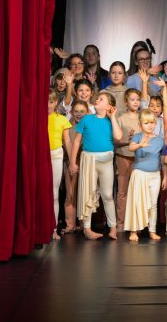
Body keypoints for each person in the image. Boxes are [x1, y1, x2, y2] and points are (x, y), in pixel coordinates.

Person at [70, 91, 123, 240]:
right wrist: (73, 162)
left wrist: (112, 116)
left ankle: (113, 227)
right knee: (88, 193)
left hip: (106, 161)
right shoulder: (87, 119)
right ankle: (87, 228)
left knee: (107, 195)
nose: (97, 100)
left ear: (109, 106)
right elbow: (76, 141)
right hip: (89, 160)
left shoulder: (112, 121)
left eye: (101, 99)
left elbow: (118, 137)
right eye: (98, 98)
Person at [123, 110, 166, 241]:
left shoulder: (160, 140)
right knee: (137, 202)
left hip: (155, 175)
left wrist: (165, 176)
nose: (149, 125)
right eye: (146, 123)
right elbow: (131, 148)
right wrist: (140, 145)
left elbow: (163, 160)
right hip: (140, 174)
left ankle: (152, 230)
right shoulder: (137, 136)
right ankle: (134, 231)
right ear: (140, 124)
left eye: (152, 122)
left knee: (153, 204)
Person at [114, 89, 144, 232]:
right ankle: (121, 222)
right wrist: (127, 140)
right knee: (122, 191)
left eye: (138, 99)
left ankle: (137, 223)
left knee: (138, 191)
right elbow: (115, 139)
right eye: (132, 99)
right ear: (126, 102)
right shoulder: (121, 118)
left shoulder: (143, 118)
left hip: (139, 158)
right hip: (123, 156)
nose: (135, 102)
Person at [47, 91, 73, 239]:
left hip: (56, 155)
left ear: (56, 102)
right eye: (45, 101)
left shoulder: (62, 119)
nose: (48, 105)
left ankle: (53, 228)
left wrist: (72, 161)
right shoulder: (37, 117)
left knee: (54, 193)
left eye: (51, 102)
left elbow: (67, 141)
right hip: (40, 157)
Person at [63, 100, 90, 231]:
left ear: (87, 112)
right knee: (71, 193)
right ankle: (70, 225)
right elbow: (67, 145)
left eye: (82, 111)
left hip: (86, 162)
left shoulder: (90, 125)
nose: (79, 114)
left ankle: (84, 224)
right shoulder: (67, 127)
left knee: (86, 194)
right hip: (70, 162)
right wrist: (72, 163)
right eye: (76, 111)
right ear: (71, 112)